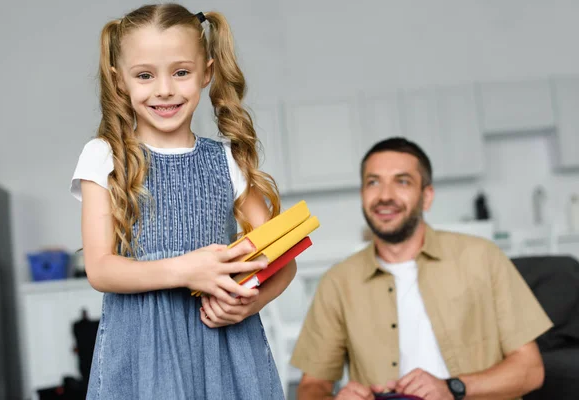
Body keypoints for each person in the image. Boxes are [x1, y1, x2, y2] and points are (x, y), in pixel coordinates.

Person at [69, 4, 291, 399]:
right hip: (142, 350)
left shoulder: (227, 159)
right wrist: (188, 269)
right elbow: (101, 269)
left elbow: (283, 258)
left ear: (207, 72)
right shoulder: (104, 156)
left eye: (181, 72)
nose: (165, 89)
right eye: (144, 75)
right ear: (120, 81)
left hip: (224, 346)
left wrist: (250, 303)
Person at [291, 137, 553, 400]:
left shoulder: (483, 257)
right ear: (362, 194)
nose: (384, 196)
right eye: (373, 182)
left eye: (402, 181)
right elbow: (311, 388)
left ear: (426, 197)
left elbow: (530, 370)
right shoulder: (338, 282)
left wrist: (453, 388)